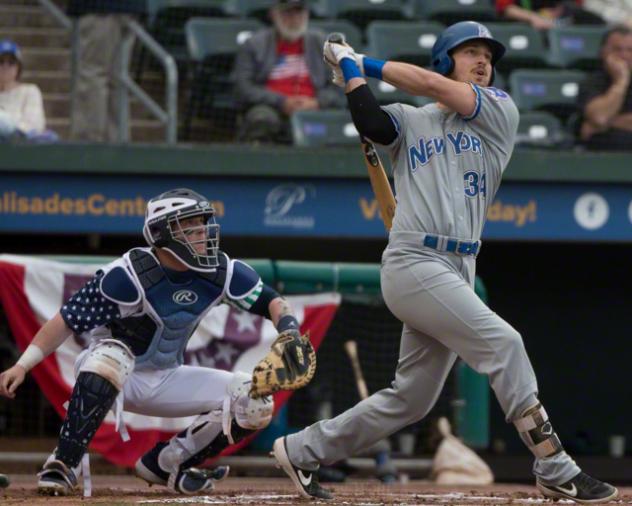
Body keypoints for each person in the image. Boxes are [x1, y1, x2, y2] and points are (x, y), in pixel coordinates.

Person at [271, 21, 618, 504]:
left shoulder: (499, 111)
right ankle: (554, 464)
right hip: (415, 258)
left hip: (460, 265)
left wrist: (358, 61)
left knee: (411, 399)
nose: (483, 62)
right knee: (506, 343)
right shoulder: (412, 120)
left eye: (488, 56)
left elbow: (434, 87)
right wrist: (351, 76)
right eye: (469, 52)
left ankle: (303, 448)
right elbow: (371, 122)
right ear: (444, 59)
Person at [0, 188, 308, 496]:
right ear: (161, 234)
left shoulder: (222, 271)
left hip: (166, 376)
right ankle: (65, 462)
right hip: (110, 371)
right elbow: (65, 321)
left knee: (256, 401)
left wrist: (290, 332)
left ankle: (166, 463)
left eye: (203, 223)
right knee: (113, 355)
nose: (202, 232)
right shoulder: (128, 274)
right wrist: (23, 365)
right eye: (190, 226)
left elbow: (273, 301)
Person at [234, 0, 345, 143]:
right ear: (274, 15)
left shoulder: (322, 43)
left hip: (314, 111)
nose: (295, 18)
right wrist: (281, 102)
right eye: (288, 13)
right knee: (261, 119)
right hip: (272, 109)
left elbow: (341, 85)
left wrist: (317, 102)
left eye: (299, 12)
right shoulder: (254, 44)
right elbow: (243, 88)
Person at [66, 1, 146, 142]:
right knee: (116, 78)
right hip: (130, 9)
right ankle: (117, 144)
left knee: (94, 73)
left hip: (100, 8)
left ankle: (89, 143)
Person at [577, 25, 632, 150]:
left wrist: (609, 122)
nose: (624, 56)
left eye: (630, 50)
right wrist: (621, 82)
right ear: (603, 52)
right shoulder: (591, 82)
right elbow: (599, 117)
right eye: (617, 49)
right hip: (605, 152)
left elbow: (599, 123)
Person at [0, 39, 48, 141]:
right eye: (1, 61)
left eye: (11, 62)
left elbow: (35, 124)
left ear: (18, 67)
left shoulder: (30, 91)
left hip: (22, 144)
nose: (5, 66)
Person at [495, 1, 603, 30]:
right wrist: (533, 18)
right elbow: (505, 8)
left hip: (562, 25)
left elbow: (577, 7)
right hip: (525, 25)